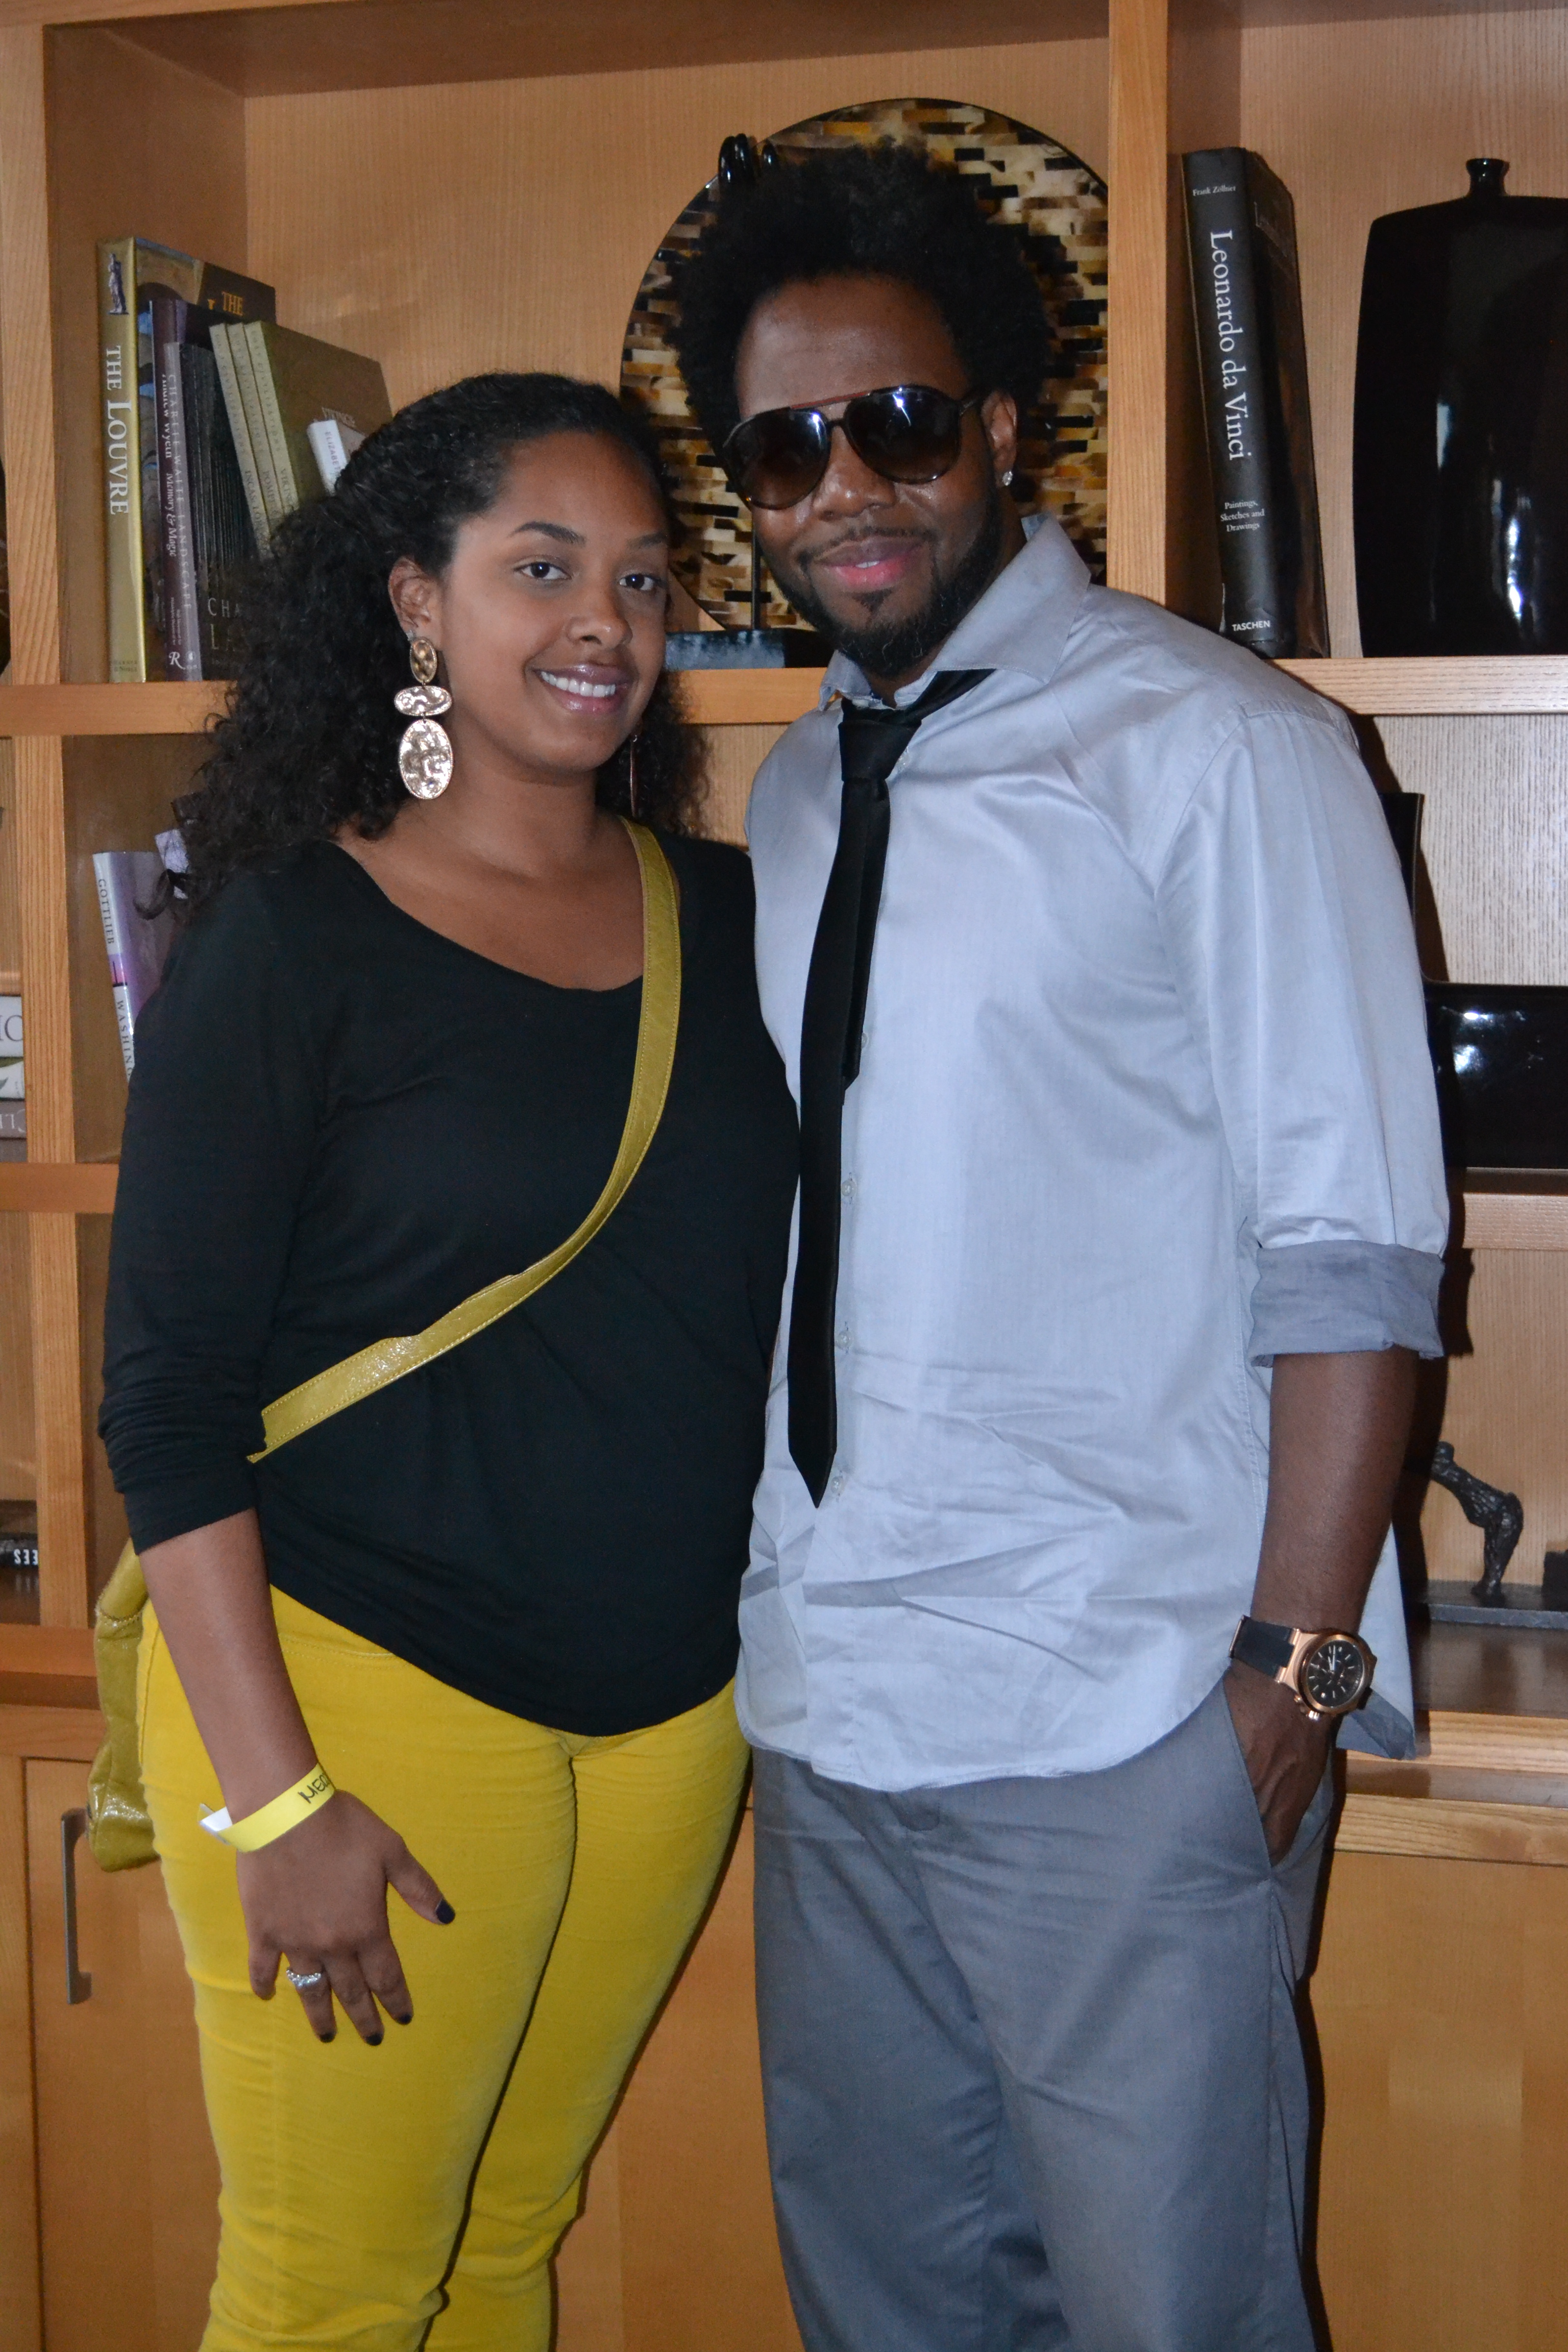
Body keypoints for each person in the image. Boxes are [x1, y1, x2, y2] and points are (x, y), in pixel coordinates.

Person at [673, 145, 1448, 2351]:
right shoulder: (795, 791)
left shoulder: (1221, 745)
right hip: (831, 1708)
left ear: (1004, 426)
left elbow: (1356, 1248)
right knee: (889, 2317)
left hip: (1124, 1720)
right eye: (787, 450)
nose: (848, 488)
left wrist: (1295, 1683)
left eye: (901, 424)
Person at [98, 372, 797, 2351]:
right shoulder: (288, 941)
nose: (608, 625)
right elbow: (168, 1399)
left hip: (672, 1718)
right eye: (543, 570)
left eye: (645, 580)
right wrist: (275, 1806)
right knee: (333, 2296)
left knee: (506, 2250)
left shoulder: (734, 915)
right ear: (420, 601)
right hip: (368, 1702)